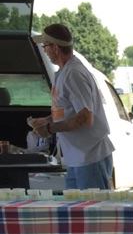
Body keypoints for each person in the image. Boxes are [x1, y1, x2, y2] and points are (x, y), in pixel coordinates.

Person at [28, 23, 114, 190]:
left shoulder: (74, 74)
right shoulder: (65, 72)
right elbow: (69, 110)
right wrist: (46, 120)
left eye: (45, 46)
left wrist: (50, 128)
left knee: (91, 212)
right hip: (77, 157)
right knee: (77, 213)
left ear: (55, 48)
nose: (44, 50)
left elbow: (85, 117)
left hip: (89, 156)